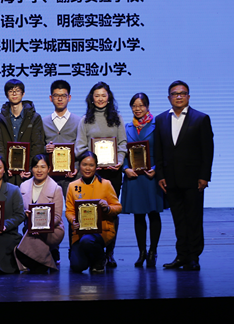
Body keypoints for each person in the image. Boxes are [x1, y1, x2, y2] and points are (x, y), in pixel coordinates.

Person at [154, 81, 214, 271]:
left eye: (182, 93)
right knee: (178, 220)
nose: (178, 96)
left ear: (188, 96)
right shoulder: (161, 119)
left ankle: (193, 257)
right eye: (175, 93)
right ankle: (181, 256)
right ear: (169, 97)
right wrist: (160, 175)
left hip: (194, 179)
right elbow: (158, 150)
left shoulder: (201, 118)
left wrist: (204, 176)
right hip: (170, 179)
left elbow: (208, 151)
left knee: (194, 219)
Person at [75, 81, 127, 267]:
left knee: (110, 212)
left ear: (109, 97)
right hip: (92, 174)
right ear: (91, 98)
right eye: (97, 96)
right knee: (90, 210)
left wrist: (118, 160)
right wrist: (92, 162)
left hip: (113, 173)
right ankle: (93, 250)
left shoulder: (117, 119)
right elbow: (79, 147)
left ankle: (110, 252)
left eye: (103, 95)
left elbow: (122, 144)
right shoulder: (85, 120)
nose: (100, 99)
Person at [122, 93, 165, 268]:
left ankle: (153, 251)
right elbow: (121, 151)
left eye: (141, 105)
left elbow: (164, 150)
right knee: (138, 216)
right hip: (134, 177)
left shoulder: (158, 125)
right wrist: (125, 168)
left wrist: (156, 169)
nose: (137, 109)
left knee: (154, 214)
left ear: (147, 106)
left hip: (151, 176)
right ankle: (141, 252)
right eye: (134, 105)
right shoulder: (126, 127)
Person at [65, 152, 121, 273]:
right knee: (77, 266)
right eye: (84, 164)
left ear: (96, 167)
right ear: (79, 166)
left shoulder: (105, 184)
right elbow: (69, 211)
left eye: (91, 165)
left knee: (88, 240)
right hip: (80, 233)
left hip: (101, 232)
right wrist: (73, 220)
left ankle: (100, 258)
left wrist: (107, 208)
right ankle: (91, 257)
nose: (87, 168)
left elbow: (118, 207)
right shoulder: (72, 186)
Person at [16, 154, 65, 273]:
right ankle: (48, 257)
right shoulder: (23, 186)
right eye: (36, 166)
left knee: (24, 251)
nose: (39, 170)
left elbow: (57, 217)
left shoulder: (56, 188)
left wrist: (42, 227)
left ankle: (49, 254)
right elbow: (19, 211)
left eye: (43, 167)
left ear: (49, 169)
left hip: (52, 230)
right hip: (30, 228)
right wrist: (25, 214)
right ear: (31, 169)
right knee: (27, 255)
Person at [0, 79, 44, 186]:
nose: (14, 93)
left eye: (17, 90)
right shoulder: (1, 118)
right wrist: (3, 166)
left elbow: (37, 145)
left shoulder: (34, 118)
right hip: (7, 173)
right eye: (11, 91)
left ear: (23, 93)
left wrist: (31, 167)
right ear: (6, 95)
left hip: (27, 174)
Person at [42, 80, 80, 196]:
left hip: (72, 174)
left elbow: (82, 147)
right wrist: (45, 149)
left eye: (63, 95)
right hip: (50, 174)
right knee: (49, 205)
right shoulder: (43, 122)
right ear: (50, 98)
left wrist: (75, 168)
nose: (60, 99)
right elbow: (38, 146)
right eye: (56, 95)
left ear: (69, 98)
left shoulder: (79, 121)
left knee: (74, 204)